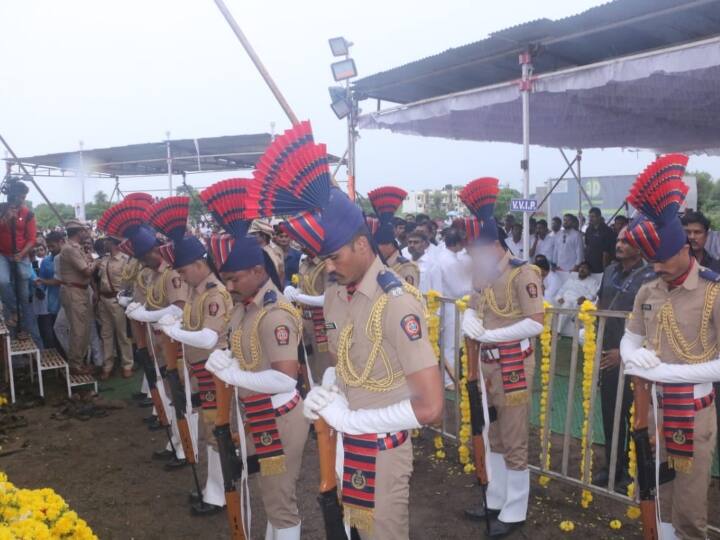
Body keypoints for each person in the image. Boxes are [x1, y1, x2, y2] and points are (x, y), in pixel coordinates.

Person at [302, 187, 444, 539]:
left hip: (381, 450)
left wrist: (351, 419)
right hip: (345, 442)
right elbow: (343, 359)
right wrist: (327, 391)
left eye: (334, 257)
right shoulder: (336, 292)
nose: (329, 268)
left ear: (362, 245)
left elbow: (431, 407)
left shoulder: (397, 303)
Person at [202, 180, 307, 539]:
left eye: (233, 279)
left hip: (277, 414)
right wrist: (227, 359)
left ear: (258, 271)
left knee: (280, 500)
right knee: (268, 494)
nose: (228, 287)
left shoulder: (274, 313)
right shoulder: (246, 306)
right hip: (259, 412)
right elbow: (244, 351)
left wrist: (233, 375)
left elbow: (284, 379)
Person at [621, 153, 718, 539]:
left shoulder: (713, 290)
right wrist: (634, 356)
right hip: (652, 407)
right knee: (655, 493)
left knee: (690, 508)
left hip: (693, 409)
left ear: (685, 250)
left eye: (662, 260)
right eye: (651, 260)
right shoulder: (649, 289)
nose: (656, 268)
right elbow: (629, 339)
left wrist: (667, 372)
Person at [459, 177, 544, 537]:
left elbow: (536, 322)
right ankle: (495, 498)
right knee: (491, 433)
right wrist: (470, 320)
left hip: (513, 364)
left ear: (494, 245)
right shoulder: (484, 273)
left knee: (513, 437)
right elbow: (476, 306)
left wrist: (491, 334)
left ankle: (515, 508)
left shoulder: (524, 272)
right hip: (488, 363)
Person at [594, 227, 655, 489]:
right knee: (610, 412)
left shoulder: (651, 276)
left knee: (635, 415)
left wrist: (625, 352)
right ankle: (613, 468)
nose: (619, 245)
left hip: (634, 358)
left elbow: (653, 323)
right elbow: (600, 304)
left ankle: (634, 470)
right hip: (607, 354)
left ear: (640, 247)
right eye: (618, 240)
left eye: (626, 241)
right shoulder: (609, 271)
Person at [0, 180, 41, 344]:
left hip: (20, 255)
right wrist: (4, 220)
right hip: (2, 254)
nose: (23, 199)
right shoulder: (2, 209)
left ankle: (28, 331)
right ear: (14, 195)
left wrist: (22, 254)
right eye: (22, 196)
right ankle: (14, 312)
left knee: (24, 295)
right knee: (2, 281)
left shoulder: (28, 214)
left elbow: (31, 239)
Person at [56, 219, 96, 374]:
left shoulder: (75, 248)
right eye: (84, 230)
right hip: (74, 292)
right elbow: (86, 271)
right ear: (79, 232)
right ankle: (75, 365)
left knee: (84, 329)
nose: (86, 232)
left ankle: (78, 362)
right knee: (78, 330)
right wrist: (97, 263)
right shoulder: (70, 249)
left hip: (81, 290)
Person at [436, 227, 473, 388]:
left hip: (450, 305)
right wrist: (473, 287)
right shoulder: (449, 261)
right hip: (451, 305)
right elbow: (459, 289)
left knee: (452, 343)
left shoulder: (446, 257)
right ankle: (448, 380)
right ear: (457, 243)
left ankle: (450, 376)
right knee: (450, 344)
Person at [95, 237, 134, 379]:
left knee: (122, 334)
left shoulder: (125, 260)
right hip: (103, 299)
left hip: (117, 299)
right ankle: (108, 365)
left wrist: (126, 299)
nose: (104, 243)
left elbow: (130, 282)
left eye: (107, 241)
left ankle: (127, 364)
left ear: (113, 243)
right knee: (106, 334)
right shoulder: (103, 259)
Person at [367, 186, 419, 286]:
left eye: (375, 245)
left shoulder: (406, 268)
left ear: (386, 245)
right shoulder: (374, 264)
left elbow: (408, 299)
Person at [36, 232, 63, 350]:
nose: (50, 249)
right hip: (54, 304)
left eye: (53, 246)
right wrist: (39, 290)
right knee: (56, 333)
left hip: (70, 302)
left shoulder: (70, 258)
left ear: (61, 242)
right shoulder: (46, 261)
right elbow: (42, 281)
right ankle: (62, 361)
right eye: (49, 247)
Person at [406, 230, 442, 294]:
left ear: (424, 244)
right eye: (410, 242)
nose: (412, 245)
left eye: (416, 242)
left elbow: (437, 290)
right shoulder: (405, 263)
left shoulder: (432, 264)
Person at [552, 213, 584, 281]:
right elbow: (556, 251)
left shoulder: (577, 235)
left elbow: (579, 253)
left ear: (572, 222)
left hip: (572, 269)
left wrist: (575, 267)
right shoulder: (559, 234)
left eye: (568, 220)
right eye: (564, 220)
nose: (565, 222)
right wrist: (554, 265)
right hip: (559, 269)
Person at [584, 207, 616, 273]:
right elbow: (587, 245)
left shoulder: (607, 230)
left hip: (601, 263)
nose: (590, 219)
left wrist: (605, 269)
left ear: (599, 217)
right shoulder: (588, 230)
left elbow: (606, 252)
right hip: (589, 263)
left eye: (593, 217)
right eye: (589, 217)